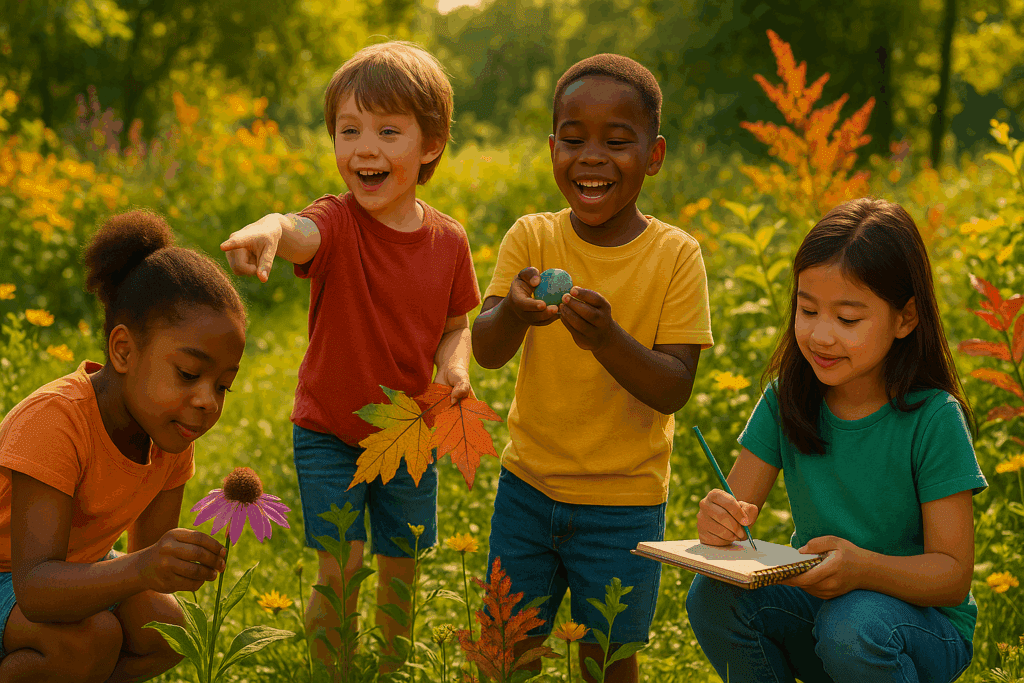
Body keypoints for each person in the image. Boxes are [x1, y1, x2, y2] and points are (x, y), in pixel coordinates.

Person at [219, 41, 480, 673]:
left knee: (401, 568)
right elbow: (295, 230)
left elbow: (456, 325)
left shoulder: (448, 241)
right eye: (349, 130)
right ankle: (331, 671)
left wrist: (456, 365)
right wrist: (269, 228)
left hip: (410, 431)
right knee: (341, 567)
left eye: (388, 130)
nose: (364, 147)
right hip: (329, 431)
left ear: (431, 144)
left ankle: (389, 667)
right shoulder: (335, 223)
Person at [472, 54, 714, 683]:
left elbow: (673, 388)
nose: (592, 158)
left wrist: (607, 339)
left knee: (606, 659)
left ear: (653, 155)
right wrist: (518, 315)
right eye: (574, 140)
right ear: (553, 148)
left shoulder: (676, 256)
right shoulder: (531, 238)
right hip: (527, 490)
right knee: (505, 650)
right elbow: (486, 349)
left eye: (617, 141)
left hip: (624, 506)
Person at [686, 197, 986, 683]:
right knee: (713, 595)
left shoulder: (933, 418)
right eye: (808, 310)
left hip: (919, 627)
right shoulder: (788, 398)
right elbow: (737, 510)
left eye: (848, 320)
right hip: (824, 611)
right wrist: (719, 521)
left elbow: (951, 577)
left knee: (854, 624)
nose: (821, 336)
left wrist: (863, 569)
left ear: (905, 318)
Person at [0, 209, 246, 682]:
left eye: (223, 386)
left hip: (71, 571)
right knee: (89, 639)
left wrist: (174, 566)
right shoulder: (56, 422)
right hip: (12, 575)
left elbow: (146, 568)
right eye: (190, 375)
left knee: (170, 627)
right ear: (124, 351)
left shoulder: (169, 438)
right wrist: (144, 567)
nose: (206, 402)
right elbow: (33, 587)